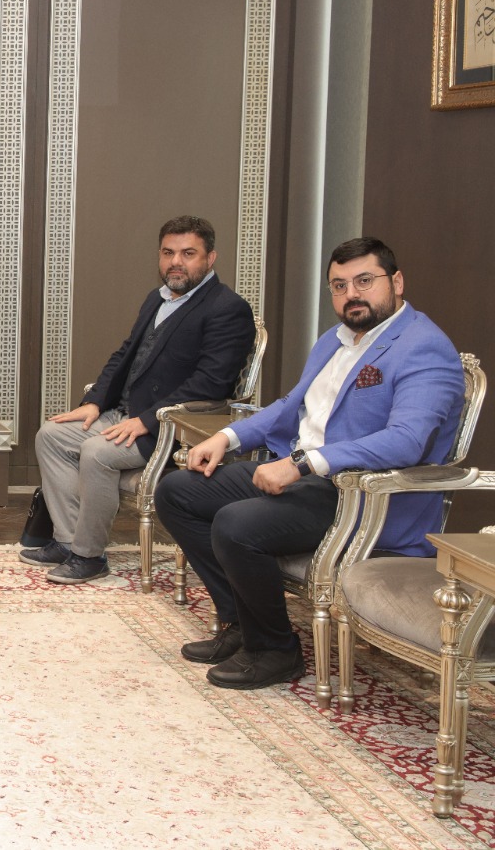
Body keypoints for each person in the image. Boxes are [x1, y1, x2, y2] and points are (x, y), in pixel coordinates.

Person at [156, 237, 464, 691]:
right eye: (339, 285)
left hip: (358, 496)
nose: (351, 294)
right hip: (307, 478)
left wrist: (302, 463)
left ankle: (275, 650)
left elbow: (407, 441)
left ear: (396, 282)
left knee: (236, 524)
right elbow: (291, 405)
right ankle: (241, 622)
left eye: (364, 281)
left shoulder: (423, 347)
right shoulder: (333, 340)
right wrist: (227, 437)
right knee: (177, 491)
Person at [24, 216, 255, 583]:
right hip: (125, 414)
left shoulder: (227, 308)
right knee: (50, 436)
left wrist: (147, 420)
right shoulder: (156, 299)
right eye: (168, 252)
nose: (176, 262)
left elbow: (210, 385)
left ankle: (89, 556)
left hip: (173, 428)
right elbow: (125, 355)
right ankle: (67, 542)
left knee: (96, 452)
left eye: (188, 253)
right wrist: (95, 402)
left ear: (210, 258)